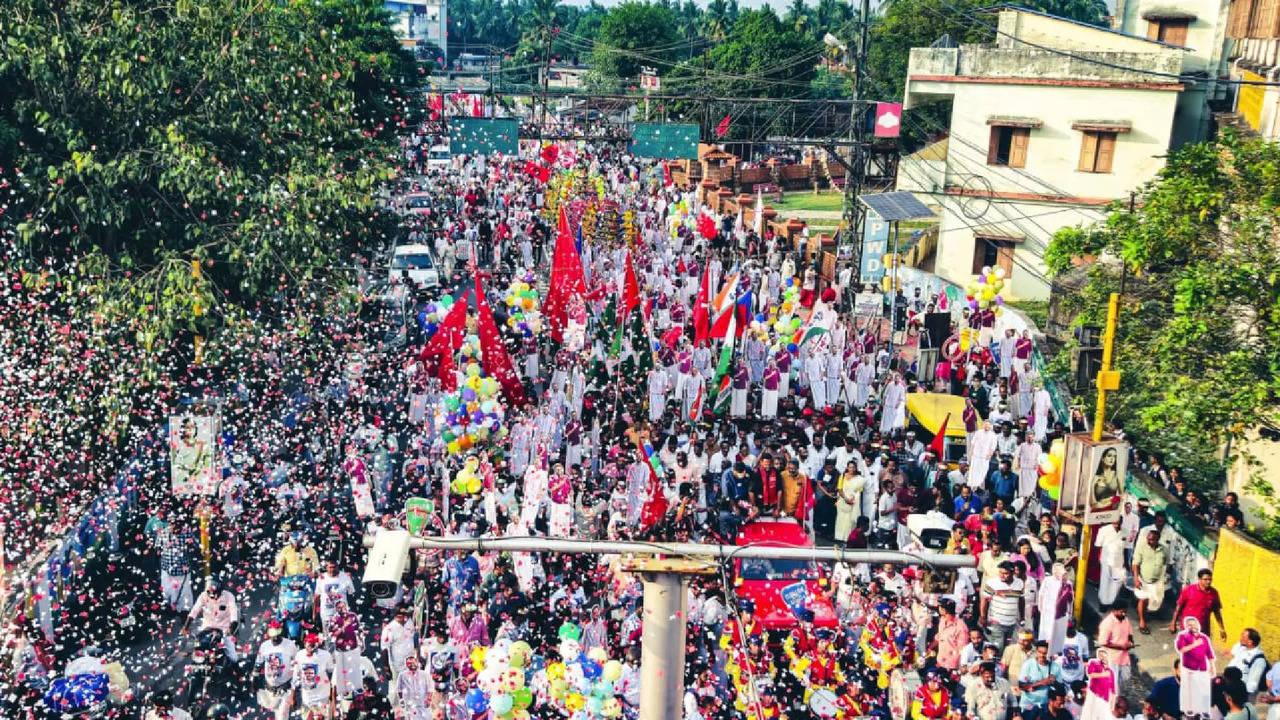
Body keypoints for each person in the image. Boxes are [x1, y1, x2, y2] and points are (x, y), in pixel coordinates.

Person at [181, 576, 240, 662]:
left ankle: (238, 672)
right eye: (211, 595)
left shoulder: (229, 596)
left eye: (216, 594)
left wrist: (230, 630)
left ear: (220, 590)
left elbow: (234, 615)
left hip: (224, 629)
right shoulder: (203, 596)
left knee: (233, 657)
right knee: (197, 648)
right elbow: (194, 611)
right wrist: (185, 627)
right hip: (207, 627)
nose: (214, 597)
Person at [255, 620, 298, 720]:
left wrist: (293, 693)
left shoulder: (290, 645)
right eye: (273, 635)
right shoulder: (264, 646)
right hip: (269, 688)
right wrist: (254, 680)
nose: (275, 638)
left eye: (277, 635)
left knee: (282, 715)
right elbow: (258, 664)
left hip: (285, 689)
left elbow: (296, 666)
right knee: (276, 712)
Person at [1176, 616, 1217, 720]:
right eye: (1189, 625)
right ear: (1186, 627)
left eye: (1194, 624)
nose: (1193, 626)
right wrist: (1194, 644)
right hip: (1189, 668)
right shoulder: (1183, 636)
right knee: (1190, 690)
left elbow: (1209, 653)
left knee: (1204, 690)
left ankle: (1204, 710)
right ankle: (1190, 711)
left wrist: (1212, 666)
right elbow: (1181, 649)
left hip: (1202, 668)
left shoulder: (1204, 638)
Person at [1170, 568, 1227, 642]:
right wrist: (1173, 622)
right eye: (1205, 579)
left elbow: (1217, 612)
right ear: (1199, 579)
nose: (1208, 582)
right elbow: (1179, 607)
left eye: (1210, 579)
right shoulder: (1188, 590)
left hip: (1204, 630)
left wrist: (1222, 628)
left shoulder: (1214, 593)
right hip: (1187, 628)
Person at [1131, 527, 1168, 634]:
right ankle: (1142, 621)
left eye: (1152, 539)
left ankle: (1147, 612)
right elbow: (1135, 564)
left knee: (1156, 600)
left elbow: (1166, 562)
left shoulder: (1164, 549)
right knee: (1143, 599)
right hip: (1143, 580)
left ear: (1157, 540)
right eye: (1148, 538)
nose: (1149, 541)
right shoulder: (1141, 548)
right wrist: (1136, 579)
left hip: (1157, 581)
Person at [982, 561, 1025, 649]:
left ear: (1013, 573)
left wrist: (1022, 617)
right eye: (1000, 572)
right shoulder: (992, 583)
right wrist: (983, 617)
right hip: (996, 622)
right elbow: (984, 601)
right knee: (998, 648)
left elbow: (1021, 600)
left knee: (1010, 649)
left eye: (1005, 573)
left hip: (1012, 623)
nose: (1002, 575)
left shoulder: (1019, 583)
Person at [1096, 604, 1134, 685]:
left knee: (1125, 677)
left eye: (1125, 612)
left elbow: (1130, 633)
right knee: (1113, 683)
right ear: (1114, 611)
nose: (1124, 614)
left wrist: (1131, 642)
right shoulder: (1107, 624)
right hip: (1112, 658)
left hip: (1124, 657)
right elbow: (1103, 642)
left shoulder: (1125, 620)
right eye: (1121, 612)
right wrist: (1121, 647)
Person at [1079, 649, 1118, 720]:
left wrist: (1112, 707)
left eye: (1105, 656)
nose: (1103, 658)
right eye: (1100, 656)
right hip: (1094, 697)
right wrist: (1103, 674)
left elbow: (1113, 691)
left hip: (1105, 701)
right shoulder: (1094, 663)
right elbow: (1090, 674)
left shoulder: (1111, 672)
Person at [1228, 629, 1268, 697]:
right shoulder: (1242, 648)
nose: (1240, 638)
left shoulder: (1259, 660)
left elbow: (1252, 684)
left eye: (1243, 637)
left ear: (1250, 642)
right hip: (1230, 687)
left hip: (1239, 693)